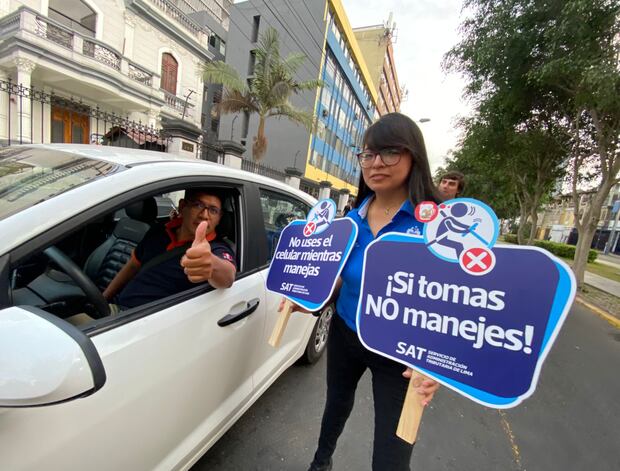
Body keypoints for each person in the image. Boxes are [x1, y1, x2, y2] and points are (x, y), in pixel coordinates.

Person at [302, 113, 441, 471]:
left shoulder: (438, 226)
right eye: (368, 154)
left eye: (390, 152)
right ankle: (320, 463)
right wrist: (309, 293)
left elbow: (454, 303)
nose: (376, 163)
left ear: (414, 157)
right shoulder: (349, 222)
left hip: (401, 354)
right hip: (345, 333)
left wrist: (438, 365)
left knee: (392, 457)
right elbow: (338, 280)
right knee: (336, 405)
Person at [103, 188, 236, 309]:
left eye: (213, 210)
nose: (204, 215)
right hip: (116, 311)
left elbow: (228, 276)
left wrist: (212, 263)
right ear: (182, 206)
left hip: (145, 321)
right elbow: (132, 266)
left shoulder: (216, 249)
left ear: (219, 219)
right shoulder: (158, 231)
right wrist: (104, 298)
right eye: (198, 205)